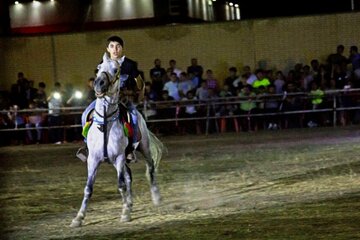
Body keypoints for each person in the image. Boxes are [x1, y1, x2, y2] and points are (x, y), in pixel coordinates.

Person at [77, 35, 144, 162]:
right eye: (112, 46)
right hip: (103, 99)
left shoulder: (129, 65)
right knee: (85, 114)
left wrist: (139, 92)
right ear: (107, 49)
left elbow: (139, 81)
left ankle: (130, 149)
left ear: (122, 49)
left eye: (118, 46)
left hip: (122, 98)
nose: (115, 49)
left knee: (134, 116)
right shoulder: (103, 64)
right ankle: (87, 146)